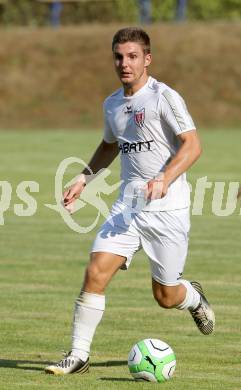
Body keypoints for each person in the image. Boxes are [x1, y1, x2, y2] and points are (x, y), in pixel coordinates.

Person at [45, 27, 215, 375]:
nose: (125, 63)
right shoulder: (112, 104)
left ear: (147, 59)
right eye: (119, 57)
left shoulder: (163, 97)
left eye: (133, 56)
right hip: (128, 207)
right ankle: (79, 355)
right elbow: (110, 144)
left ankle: (193, 297)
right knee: (95, 271)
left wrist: (165, 179)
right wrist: (84, 178)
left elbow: (192, 145)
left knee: (165, 296)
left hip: (168, 210)